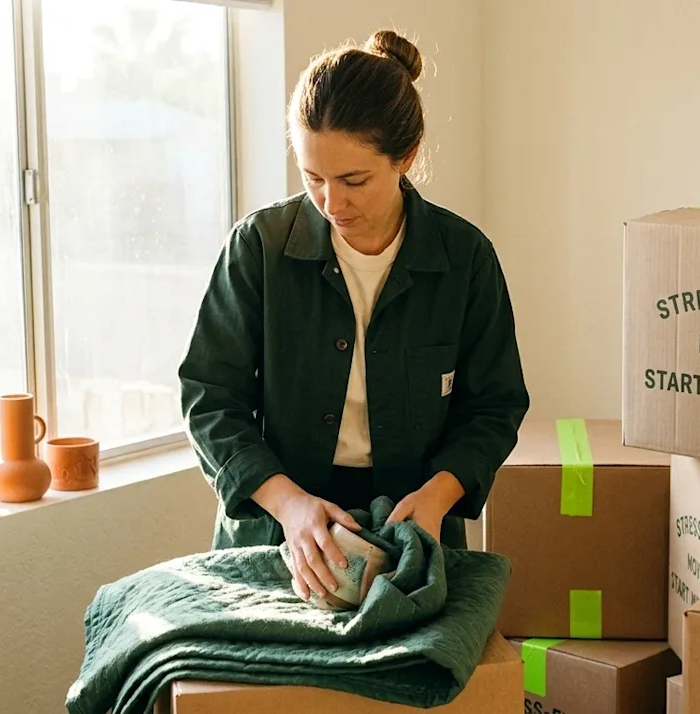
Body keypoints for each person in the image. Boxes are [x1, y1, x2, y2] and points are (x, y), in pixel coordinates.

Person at [178, 29, 529, 602]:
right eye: (313, 178)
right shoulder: (258, 249)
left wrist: (439, 498)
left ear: (406, 157)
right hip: (277, 524)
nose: (331, 203)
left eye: (354, 180)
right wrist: (290, 507)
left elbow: (493, 406)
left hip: (415, 525)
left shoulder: (464, 258)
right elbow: (209, 397)